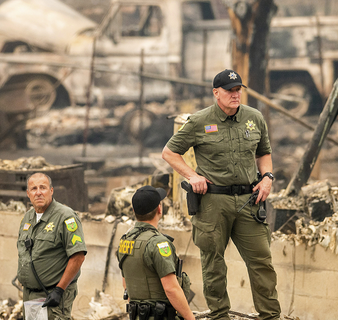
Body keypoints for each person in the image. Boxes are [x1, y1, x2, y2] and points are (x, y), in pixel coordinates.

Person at [162, 69, 281, 320]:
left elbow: (264, 153)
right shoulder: (199, 121)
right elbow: (170, 153)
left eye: (238, 90)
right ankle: (219, 315)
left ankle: (270, 315)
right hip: (213, 202)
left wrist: (268, 178)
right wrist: (192, 176)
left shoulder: (254, 117)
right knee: (213, 262)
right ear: (216, 93)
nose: (235, 95)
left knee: (262, 261)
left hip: (250, 200)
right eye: (230, 90)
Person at [117, 186, 194, 320]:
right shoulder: (158, 243)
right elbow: (171, 289)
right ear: (159, 209)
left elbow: (126, 285)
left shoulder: (125, 240)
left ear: (134, 211)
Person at [17, 173, 87, 320]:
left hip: (53, 296)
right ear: (28, 194)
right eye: (34, 189)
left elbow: (78, 256)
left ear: (51, 191)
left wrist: (59, 290)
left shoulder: (65, 216)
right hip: (30, 296)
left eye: (43, 187)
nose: (38, 192)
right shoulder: (27, 217)